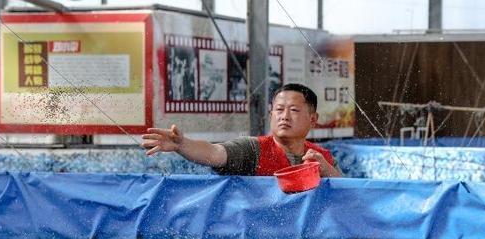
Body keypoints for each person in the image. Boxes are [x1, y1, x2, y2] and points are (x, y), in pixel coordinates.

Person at [141, 83, 343, 177]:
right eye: (279, 110)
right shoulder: (252, 150)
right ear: (271, 114)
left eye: (294, 110)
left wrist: (328, 171)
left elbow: (351, 196)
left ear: (313, 119)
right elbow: (214, 153)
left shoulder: (322, 158)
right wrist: (182, 145)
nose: (284, 116)